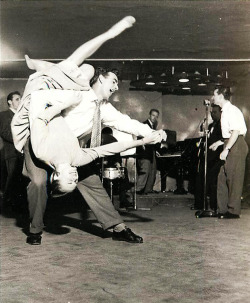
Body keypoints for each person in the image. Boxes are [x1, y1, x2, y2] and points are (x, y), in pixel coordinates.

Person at [11, 16, 167, 245]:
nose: (115, 86)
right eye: (112, 81)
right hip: (39, 142)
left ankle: (118, 227)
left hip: (72, 153)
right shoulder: (77, 93)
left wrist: (148, 134)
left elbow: (126, 123)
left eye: (117, 84)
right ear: (99, 80)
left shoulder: (104, 109)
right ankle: (35, 230)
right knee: (37, 183)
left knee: (92, 181)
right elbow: (46, 99)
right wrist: (112, 32)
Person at [30, 101, 162, 196]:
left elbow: (40, 119)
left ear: (55, 177)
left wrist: (63, 103)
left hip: (45, 105)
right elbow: (109, 149)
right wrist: (142, 141)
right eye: (75, 181)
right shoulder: (78, 159)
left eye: (69, 181)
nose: (75, 177)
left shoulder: (42, 153)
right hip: (59, 108)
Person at [210, 87, 248, 219]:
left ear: (220, 96)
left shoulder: (232, 110)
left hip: (236, 145)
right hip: (230, 142)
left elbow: (236, 132)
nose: (212, 97)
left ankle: (233, 211)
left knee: (234, 179)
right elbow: (229, 133)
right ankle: (223, 209)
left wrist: (226, 149)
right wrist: (220, 143)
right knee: (222, 177)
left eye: (214, 95)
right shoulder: (225, 111)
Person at [193, 104, 224, 211]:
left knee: (213, 182)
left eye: (215, 112)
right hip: (207, 157)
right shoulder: (211, 126)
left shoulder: (222, 125)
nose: (212, 114)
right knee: (201, 180)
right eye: (211, 112)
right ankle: (200, 204)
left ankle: (214, 206)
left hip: (215, 158)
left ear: (221, 113)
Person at [0, 91, 26, 213]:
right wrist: (23, 140)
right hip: (12, 154)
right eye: (17, 99)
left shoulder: (23, 115)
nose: (20, 101)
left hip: (25, 154)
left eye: (20, 99)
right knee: (12, 180)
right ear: (10, 102)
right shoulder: (4, 115)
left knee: (22, 181)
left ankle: (19, 207)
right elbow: (5, 133)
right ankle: (6, 207)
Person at [99, 127, 133, 209]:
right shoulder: (111, 141)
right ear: (111, 134)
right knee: (123, 172)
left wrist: (117, 163)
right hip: (104, 167)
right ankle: (122, 199)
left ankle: (122, 199)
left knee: (123, 171)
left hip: (105, 167)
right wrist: (117, 163)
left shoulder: (104, 141)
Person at [136, 109, 160, 195]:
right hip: (144, 152)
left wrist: (156, 150)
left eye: (156, 116)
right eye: (153, 115)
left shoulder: (153, 126)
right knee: (145, 171)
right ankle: (138, 190)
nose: (154, 118)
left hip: (151, 152)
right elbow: (140, 138)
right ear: (149, 115)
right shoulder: (144, 124)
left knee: (152, 170)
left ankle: (148, 189)